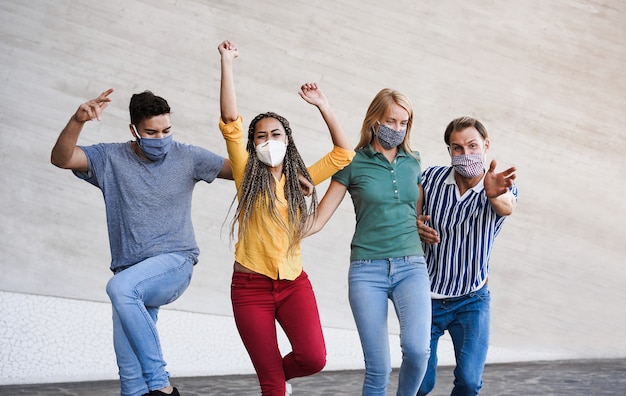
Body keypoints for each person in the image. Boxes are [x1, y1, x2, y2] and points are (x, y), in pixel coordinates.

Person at [50, 89, 232, 396]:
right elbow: (62, 158)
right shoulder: (109, 158)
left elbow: (244, 171)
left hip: (175, 263)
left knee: (120, 288)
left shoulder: (188, 156)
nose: (161, 138)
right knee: (130, 380)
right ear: (134, 130)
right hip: (132, 271)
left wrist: (293, 174)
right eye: (151, 132)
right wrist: (77, 120)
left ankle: (162, 386)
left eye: (166, 130)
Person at [217, 40, 355, 396]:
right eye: (261, 136)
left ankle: (274, 379)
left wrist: (323, 106)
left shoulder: (300, 179)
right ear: (253, 144)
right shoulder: (245, 173)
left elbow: (343, 154)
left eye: (275, 134)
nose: (268, 140)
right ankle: (273, 382)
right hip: (250, 288)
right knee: (272, 385)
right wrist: (227, 63)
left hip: (293, 283)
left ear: (287, 141)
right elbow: (231, 122)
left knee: (313, 358)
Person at [306, 88, 432, 396]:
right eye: (392, 121)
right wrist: (279, 230)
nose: (398, 129)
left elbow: (414, 213)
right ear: (375, 120)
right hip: (367, 270)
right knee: (379, 368)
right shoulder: (352, 163)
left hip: (410, 266)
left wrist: (419, 225)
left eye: (404, 123)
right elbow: (319, 219)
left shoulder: (413, 162)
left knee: (418, 351)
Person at [416, 116, 518, 396]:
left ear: (486, 145)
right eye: (457, 148)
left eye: (472, 146)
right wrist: (414, 226)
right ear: (449, 150)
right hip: (426, 298)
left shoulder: (499, 186)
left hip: (472, 300)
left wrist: (494, 193)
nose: (465, 154)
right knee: (420, 383)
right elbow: (409, 214)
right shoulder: (430, 178)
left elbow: (506, 206)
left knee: (469, 382)